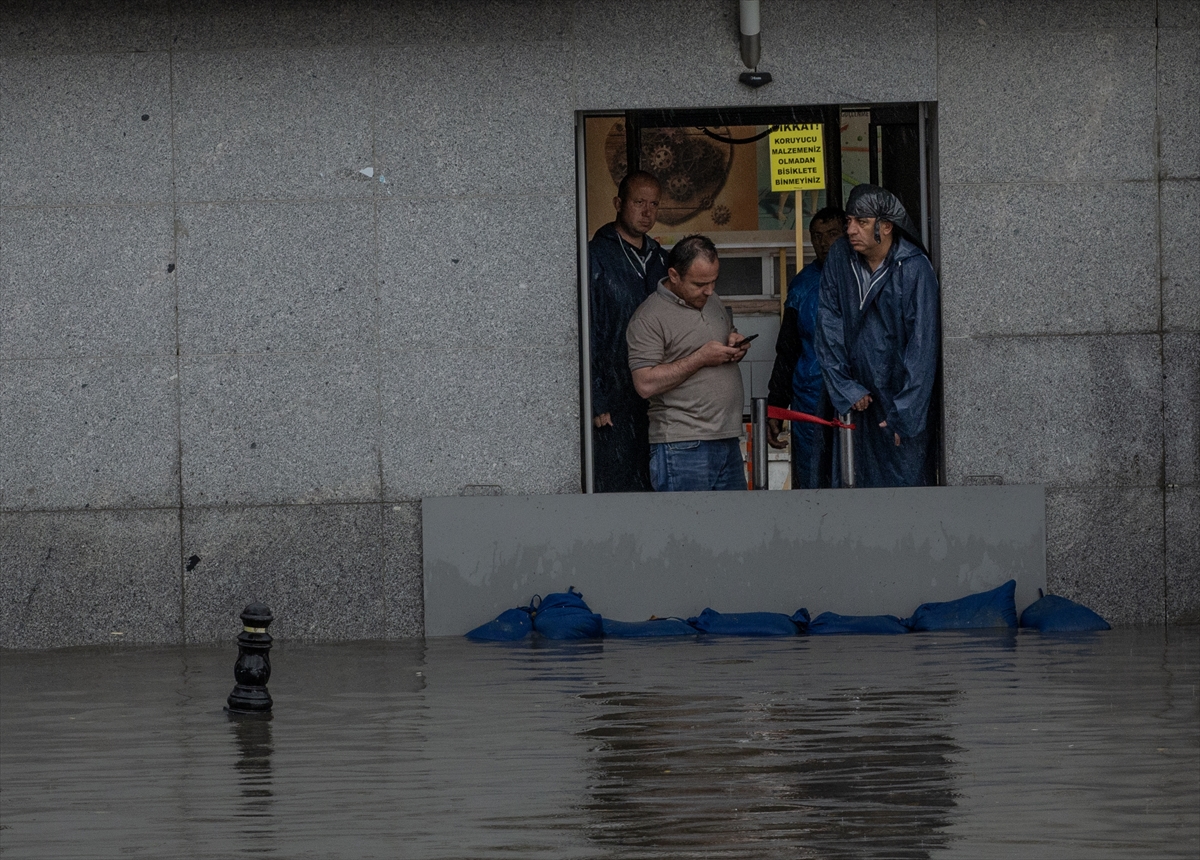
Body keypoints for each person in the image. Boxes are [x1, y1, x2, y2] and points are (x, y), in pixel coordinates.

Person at [816, 184, 939, 487]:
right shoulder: (840, 258)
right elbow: (828, 325)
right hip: (854, 401)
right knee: (850, 487)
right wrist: (846, 387)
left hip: (896, 399)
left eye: (861, 222)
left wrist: (905, 413)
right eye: (849, 221)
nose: (851, 230)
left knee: (902, 494)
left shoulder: (914, 267)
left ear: (886, 226)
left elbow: (923, 348)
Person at [626, 235, 752, 492]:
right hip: (682, 445)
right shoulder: (649, 318)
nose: (709, 290)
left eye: (714, 281)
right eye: (700, 284)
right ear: (674, 275)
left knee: (734, 518)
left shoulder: (712, 300)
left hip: (727, 437)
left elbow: (721, 336)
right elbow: (644, 384)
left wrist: (735, 344)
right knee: (687, 520)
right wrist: (700, 358)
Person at [588, 171, 669, 492]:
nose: (647, 212)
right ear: (618, 203)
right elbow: (588, 332)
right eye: (638, 202)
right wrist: (596, 399)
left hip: (660, 397)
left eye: (654, 204)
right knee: (619, 489)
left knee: (658, 487)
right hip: (614, 396)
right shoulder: (595, 256)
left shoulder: (662, 259)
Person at [766, 207, 846, 488]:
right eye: (817, 236)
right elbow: (787, 350)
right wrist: (776, 405)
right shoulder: (803, 285)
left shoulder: (862, 275)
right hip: (809, 397)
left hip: (854, 399)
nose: (824, 243)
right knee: (812, 479)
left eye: (832, 234)